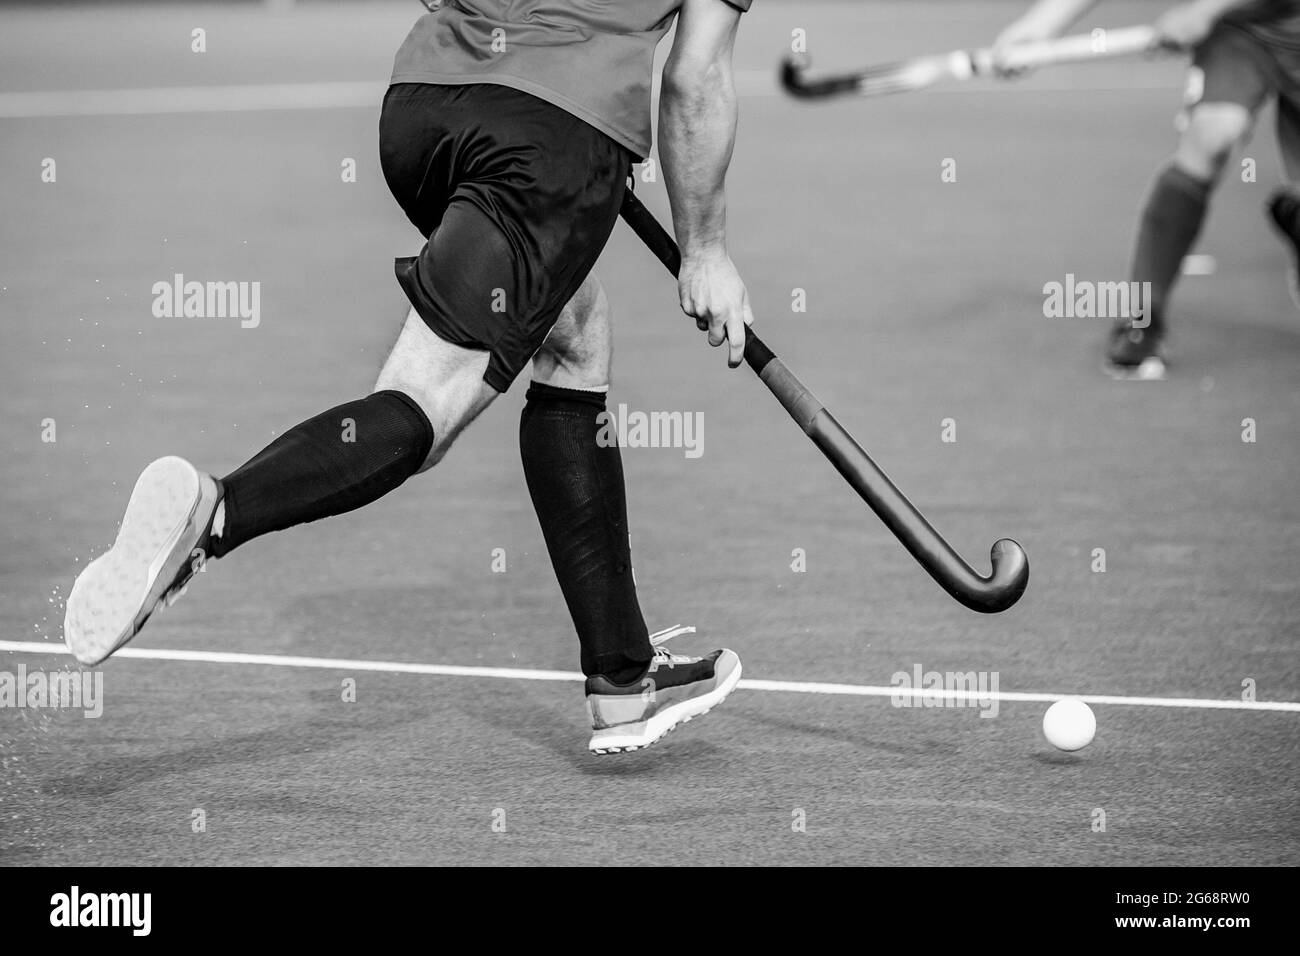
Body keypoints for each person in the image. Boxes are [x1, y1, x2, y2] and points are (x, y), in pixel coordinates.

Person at [64, 0, 756, 756]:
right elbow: (695, 76)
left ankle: (622, 676)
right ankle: (218, 511)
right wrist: (705, 249)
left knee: (575, 338)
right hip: (552, 135)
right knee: (425, 404)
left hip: (425, 113)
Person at [993, 0, 1300, 378]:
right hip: (1242, 32)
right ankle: (1143, 318)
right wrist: (1040, 25)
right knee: (1213, 135)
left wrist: (1202, 11)